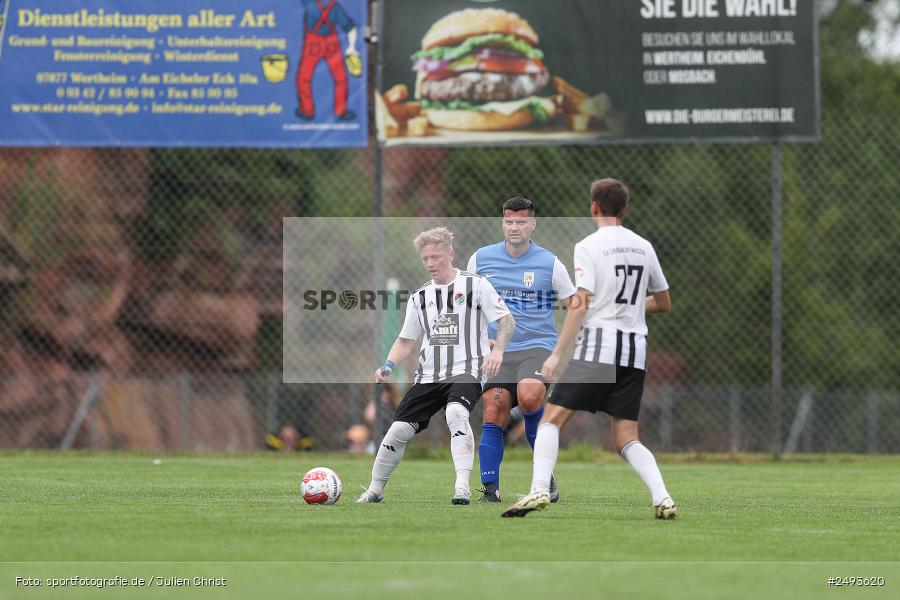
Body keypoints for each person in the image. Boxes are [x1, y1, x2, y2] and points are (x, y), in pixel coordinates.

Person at [502, 178, 677, 519]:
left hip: (601, 346)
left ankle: (539, 491)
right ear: (625, 208)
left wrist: (557, 354)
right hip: (635, 351)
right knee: (626, 437)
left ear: (593, 207)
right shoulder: (644, 246)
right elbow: (664, 302)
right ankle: (663, 497)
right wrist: (626, 308)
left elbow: (580, 304)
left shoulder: (589, 245)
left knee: (551, 419)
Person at [358, 227, 515, 505]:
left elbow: (506, 320)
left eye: (436, 257)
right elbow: (405, 340)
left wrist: (498, 351)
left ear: (450, 255)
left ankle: (462, 486)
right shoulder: (420, 297)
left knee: (456, 412)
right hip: (429, 375)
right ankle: (374, 490)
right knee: (397, 431)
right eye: (425, 258)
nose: (431, 263)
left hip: (467, 369)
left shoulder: (476, 285)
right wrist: (389, 364)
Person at [466, 197, 576, 503]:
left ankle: (544, 476)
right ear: (503, 223)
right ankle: (490, 490)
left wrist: (565, 350)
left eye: (521, 222)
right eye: (509, 222)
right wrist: (480, 340)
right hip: (497, 350)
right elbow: (467, 304)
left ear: (532, 224)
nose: (514, 228)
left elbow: (575, 307)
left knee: (529, 396)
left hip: (537, 347)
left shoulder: (550, 263)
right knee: (494, 407)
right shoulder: (480, 259)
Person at [295, 0, 360, 121]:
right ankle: (341, 111)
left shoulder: (308, 3)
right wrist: (352, 47)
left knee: (303, 78)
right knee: (340, 78)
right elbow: (350, 28)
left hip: (313, 44)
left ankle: (307, 111)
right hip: (332, 44)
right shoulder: (335, 6)